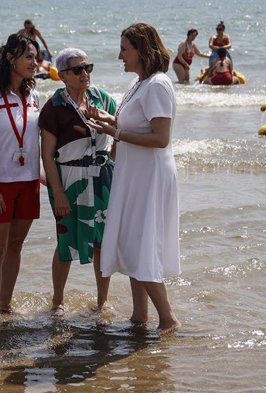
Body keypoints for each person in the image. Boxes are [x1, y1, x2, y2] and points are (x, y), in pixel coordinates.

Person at [86, 23, 181, 334]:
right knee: (131, 244)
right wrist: (108, 119)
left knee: (141, 245)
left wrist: (116, 132)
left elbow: (161, 137)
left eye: (124, 49)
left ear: (142, 50)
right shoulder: (141, 83)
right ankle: (139, 317)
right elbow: (137, 125)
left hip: (149, 177)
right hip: (134, 174)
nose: (119, 56)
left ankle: (167, 319)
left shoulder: (156, 85)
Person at [38, 48, 117, 316]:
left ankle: (102, 300)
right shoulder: (54, 107)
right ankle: (58, 301)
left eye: (87, 68)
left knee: (102, 241)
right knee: (66, 240)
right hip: (69, 180)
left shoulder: (103, 99)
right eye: (77, 70)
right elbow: (46, 155)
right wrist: (57, 192)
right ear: (62, 76)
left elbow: (119, 135)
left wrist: (117, 173)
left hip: (103, 178)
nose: (85, 74)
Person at [0, 34, 42, 325]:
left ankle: (5, 304)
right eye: (29, 57)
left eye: (36, 57)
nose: (35, 63)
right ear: (10, 59)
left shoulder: (34, 95)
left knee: (15, 247)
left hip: (28, 183)